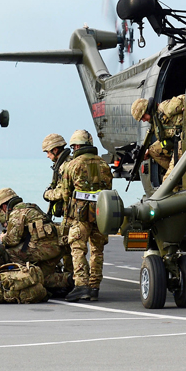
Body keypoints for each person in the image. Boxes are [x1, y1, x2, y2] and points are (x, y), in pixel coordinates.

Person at [46, 129, 112, 302]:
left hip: (80, 216)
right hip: (101, 214)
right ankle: (94, 287)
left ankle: (81, 285)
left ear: (76, 146)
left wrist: (48, 195)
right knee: (97, 251)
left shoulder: (72, 165)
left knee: (77, 249)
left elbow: (66, 194)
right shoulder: (104, 164)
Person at [0, 187, 70, 296]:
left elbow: (12, 240)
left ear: (4, 206)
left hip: (44, 248)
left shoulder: (17, 213)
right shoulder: (32, 208)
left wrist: (3, 237)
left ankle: (23, 275)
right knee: (43, 277)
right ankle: (71, 280)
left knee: (8, 252)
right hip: (57, 246)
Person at [41, 133, 74, 277]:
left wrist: (47, 194)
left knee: (67, 246)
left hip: (71, 213)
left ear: (55, 150)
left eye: (48, 152)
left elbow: (62, 192)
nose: (47, 156)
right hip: (70, 211)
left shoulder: (65, 166)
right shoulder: (63, 163)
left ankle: (69, 277)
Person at [131, 95, 185, 179]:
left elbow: (185, 99)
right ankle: (179, 174)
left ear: (147, 110)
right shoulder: (156, 120)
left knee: (167, 181)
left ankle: (175, 175)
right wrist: (147, 152)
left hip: (184, 139)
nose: (144, 120)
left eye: (143, 117)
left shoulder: (165, 108)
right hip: (177, 141)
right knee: (153, 150)